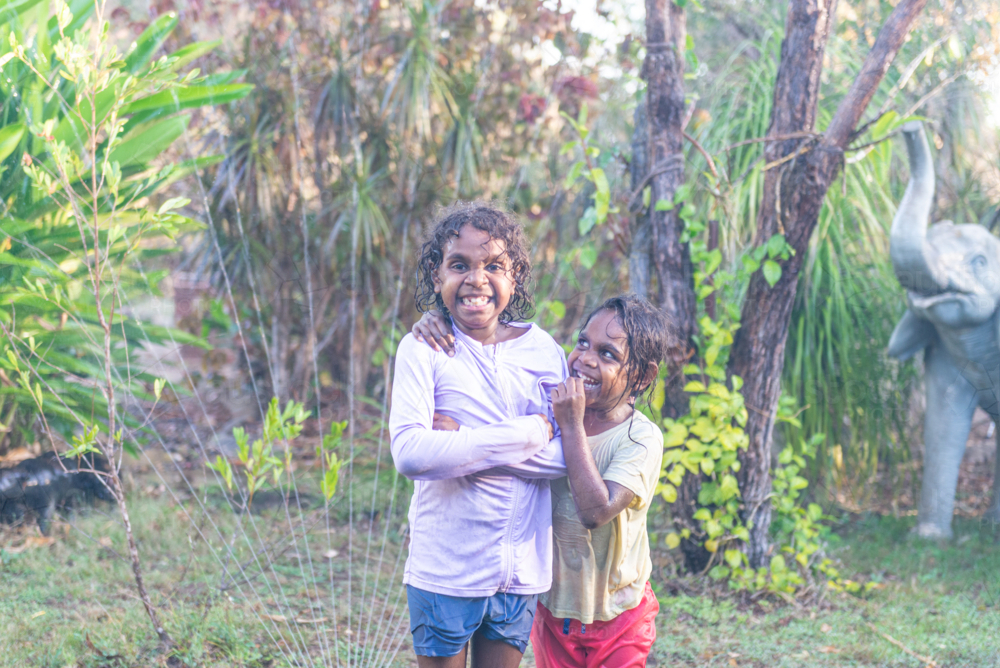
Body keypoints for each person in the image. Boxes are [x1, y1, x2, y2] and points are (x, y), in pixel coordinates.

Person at [415, 294, 668, 667]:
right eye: (583, 342)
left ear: (643, 375)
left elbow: (596, 509)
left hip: (621, 614)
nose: (585, 359)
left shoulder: (639, 438)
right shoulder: (550, 406)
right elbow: (504, 447)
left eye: (608, 354)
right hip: (555, 610)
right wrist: (438, 319)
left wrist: (569, 424)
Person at [389, 202, 568, 668]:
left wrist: (459, 442)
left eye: (494, 265)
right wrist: (533, 430)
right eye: (459, 265)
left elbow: (565, 456)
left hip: (521, 573)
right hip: (446, 570)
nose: (476, 279)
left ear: (516, 276)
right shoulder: (423, 348)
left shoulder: (543, 350)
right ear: (436, 274)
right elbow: (410, 453)